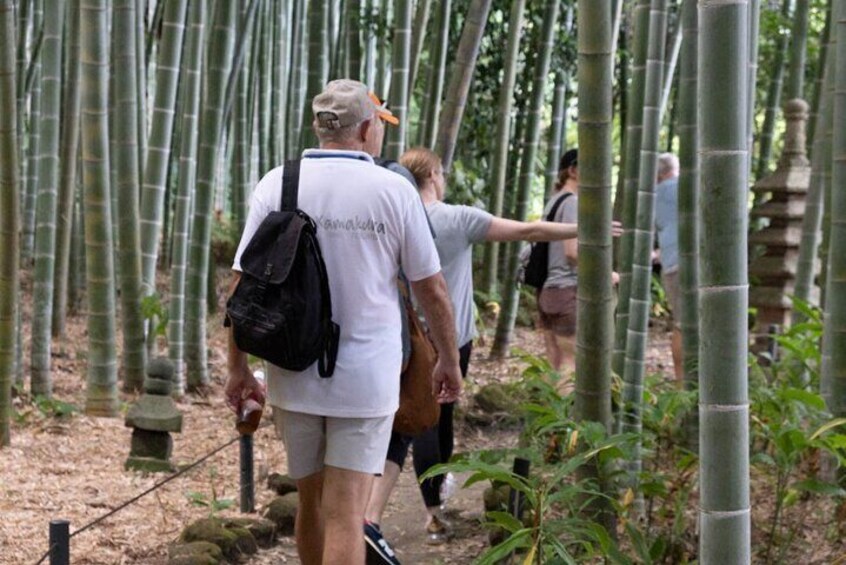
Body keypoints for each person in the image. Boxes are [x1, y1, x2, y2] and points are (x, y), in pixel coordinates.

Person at [224, 80, 463, 565]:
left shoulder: (278, 183)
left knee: (311, 501)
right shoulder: (393, 189)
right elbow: (432, 288)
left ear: (321, 127)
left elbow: (241, 287)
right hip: (367, 375)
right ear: (368, 128)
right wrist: (449, 360)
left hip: (293, 369)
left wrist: (238, 370)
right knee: (347, 512)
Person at [362, 147, 622, 563]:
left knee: (401, 423)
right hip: (447, 340)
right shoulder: (457, 218)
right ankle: (405, 516)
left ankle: (382, 512)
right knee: (428, 423)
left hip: (396, 336)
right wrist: (583, 229)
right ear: (431, 174)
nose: (443, 177)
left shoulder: (390, 218)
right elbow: (528, 231)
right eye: (442, 171)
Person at [537, 148, 581, 374]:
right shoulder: (572, 202)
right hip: (566, 290)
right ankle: (565, 410)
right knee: (569, 363)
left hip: (548, 292)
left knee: (554, 363)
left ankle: (552, 409)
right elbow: (571, 252)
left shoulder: (554, 201)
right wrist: (603, 272)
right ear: (573, 171)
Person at [654, 152, 682, 385]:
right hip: (699, 265)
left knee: (682, 323)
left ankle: (682, 381)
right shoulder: (689, 186)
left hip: (673, 265)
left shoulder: (654, 196)